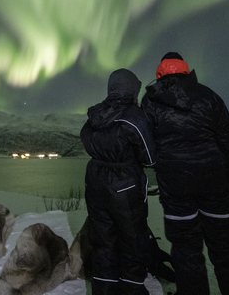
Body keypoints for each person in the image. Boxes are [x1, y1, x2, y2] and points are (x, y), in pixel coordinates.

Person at [141, 52, 229, 295]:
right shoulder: (208, 96)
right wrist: (225, 177)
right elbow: (227, 140)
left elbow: (148, 146)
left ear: (160, 71)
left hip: (176, 189)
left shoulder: (151, 101)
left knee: (186, 251)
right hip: (214, 183)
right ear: (184, 69)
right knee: (227, 248)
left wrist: (163, 168)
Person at [81, 68, 156, 295]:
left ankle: (104, 290)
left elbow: (86, 139)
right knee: (132, 240)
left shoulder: (95, 114)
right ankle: (132, 290)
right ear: (131, 89)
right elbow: (150, 158)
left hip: (95, 181)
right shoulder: (134, 116)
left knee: (103, 241)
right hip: (125, 185)